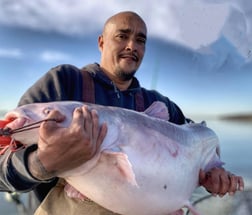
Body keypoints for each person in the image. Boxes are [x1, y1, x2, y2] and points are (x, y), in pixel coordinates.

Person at [0, 11, 244, 215]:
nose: (132, 46)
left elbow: (196, 143)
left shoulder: (161, 104)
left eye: (140, 40)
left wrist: (211, 173)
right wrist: (41, 163)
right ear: (101, 42)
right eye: (122, 36)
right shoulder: (63, 83)